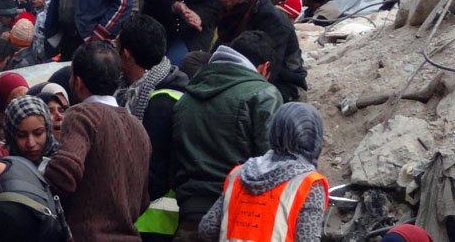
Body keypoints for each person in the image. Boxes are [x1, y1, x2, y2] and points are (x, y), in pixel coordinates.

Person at [170, 31, 282, 240]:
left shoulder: (186, 98)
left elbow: (173, 162)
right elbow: (273, 164)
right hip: (241, 218)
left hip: (190, 215)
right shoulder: (264, 94)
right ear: (265, 67)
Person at [45, 42, 150, 241]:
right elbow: (143, 200)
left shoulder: (82, 114)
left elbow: (64, 172)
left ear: (77, 82)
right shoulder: (138, 127)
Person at [198, 102, 329, 242]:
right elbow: (307, 238)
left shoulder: (238, 174)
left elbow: (207, 229)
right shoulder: (309, 184)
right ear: (314, 138)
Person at [115, 14, 190, 241]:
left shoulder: (159, 103)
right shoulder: (172, 86)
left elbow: (155, 174)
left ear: (126, 55)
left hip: (155, 223)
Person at [212, 0, 307, 102]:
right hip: (238, 74)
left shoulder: (272, 21)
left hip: (281, 85)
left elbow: (267, 73)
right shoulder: (233, 13)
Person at [3, 95, 55, 169]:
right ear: (11, 136)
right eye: (21, 135)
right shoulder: (2, 165)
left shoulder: (63, 163)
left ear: (48, 130)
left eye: (38, 133)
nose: (31, 144)